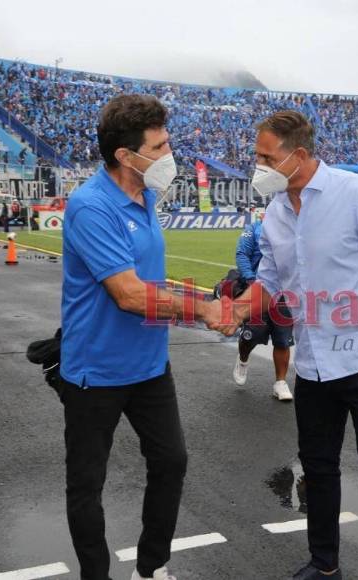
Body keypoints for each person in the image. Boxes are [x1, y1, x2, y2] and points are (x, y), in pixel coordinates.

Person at [224, 111, 358, 580]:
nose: (259, 166)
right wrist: (233, 310)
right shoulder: (275, 211)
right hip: (312, 365)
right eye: (258, 156)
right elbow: (270, 283)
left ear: (298, 155)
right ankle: (324, 563)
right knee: (317, 470)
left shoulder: (355, 195)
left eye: (265, 157)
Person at [59, 94, 232, 580]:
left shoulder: (147, 196)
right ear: (125, 155)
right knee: (87, 483)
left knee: (171, 462)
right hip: (96, 369)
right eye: (158, 147)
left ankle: (150, 569)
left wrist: (204, 298)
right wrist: (203, 310)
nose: (168, 155)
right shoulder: (92, 206)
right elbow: (131, 295)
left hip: (150, 364)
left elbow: (152, 282)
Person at [232, 212, 294, 401]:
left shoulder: (294, 230)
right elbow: (242, 253)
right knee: (252, 336)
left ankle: (280, 382)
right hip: (259, 290)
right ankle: (243, 359)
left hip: (285, 293)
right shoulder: (254, 229)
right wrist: (251, 279)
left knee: (283, 340)